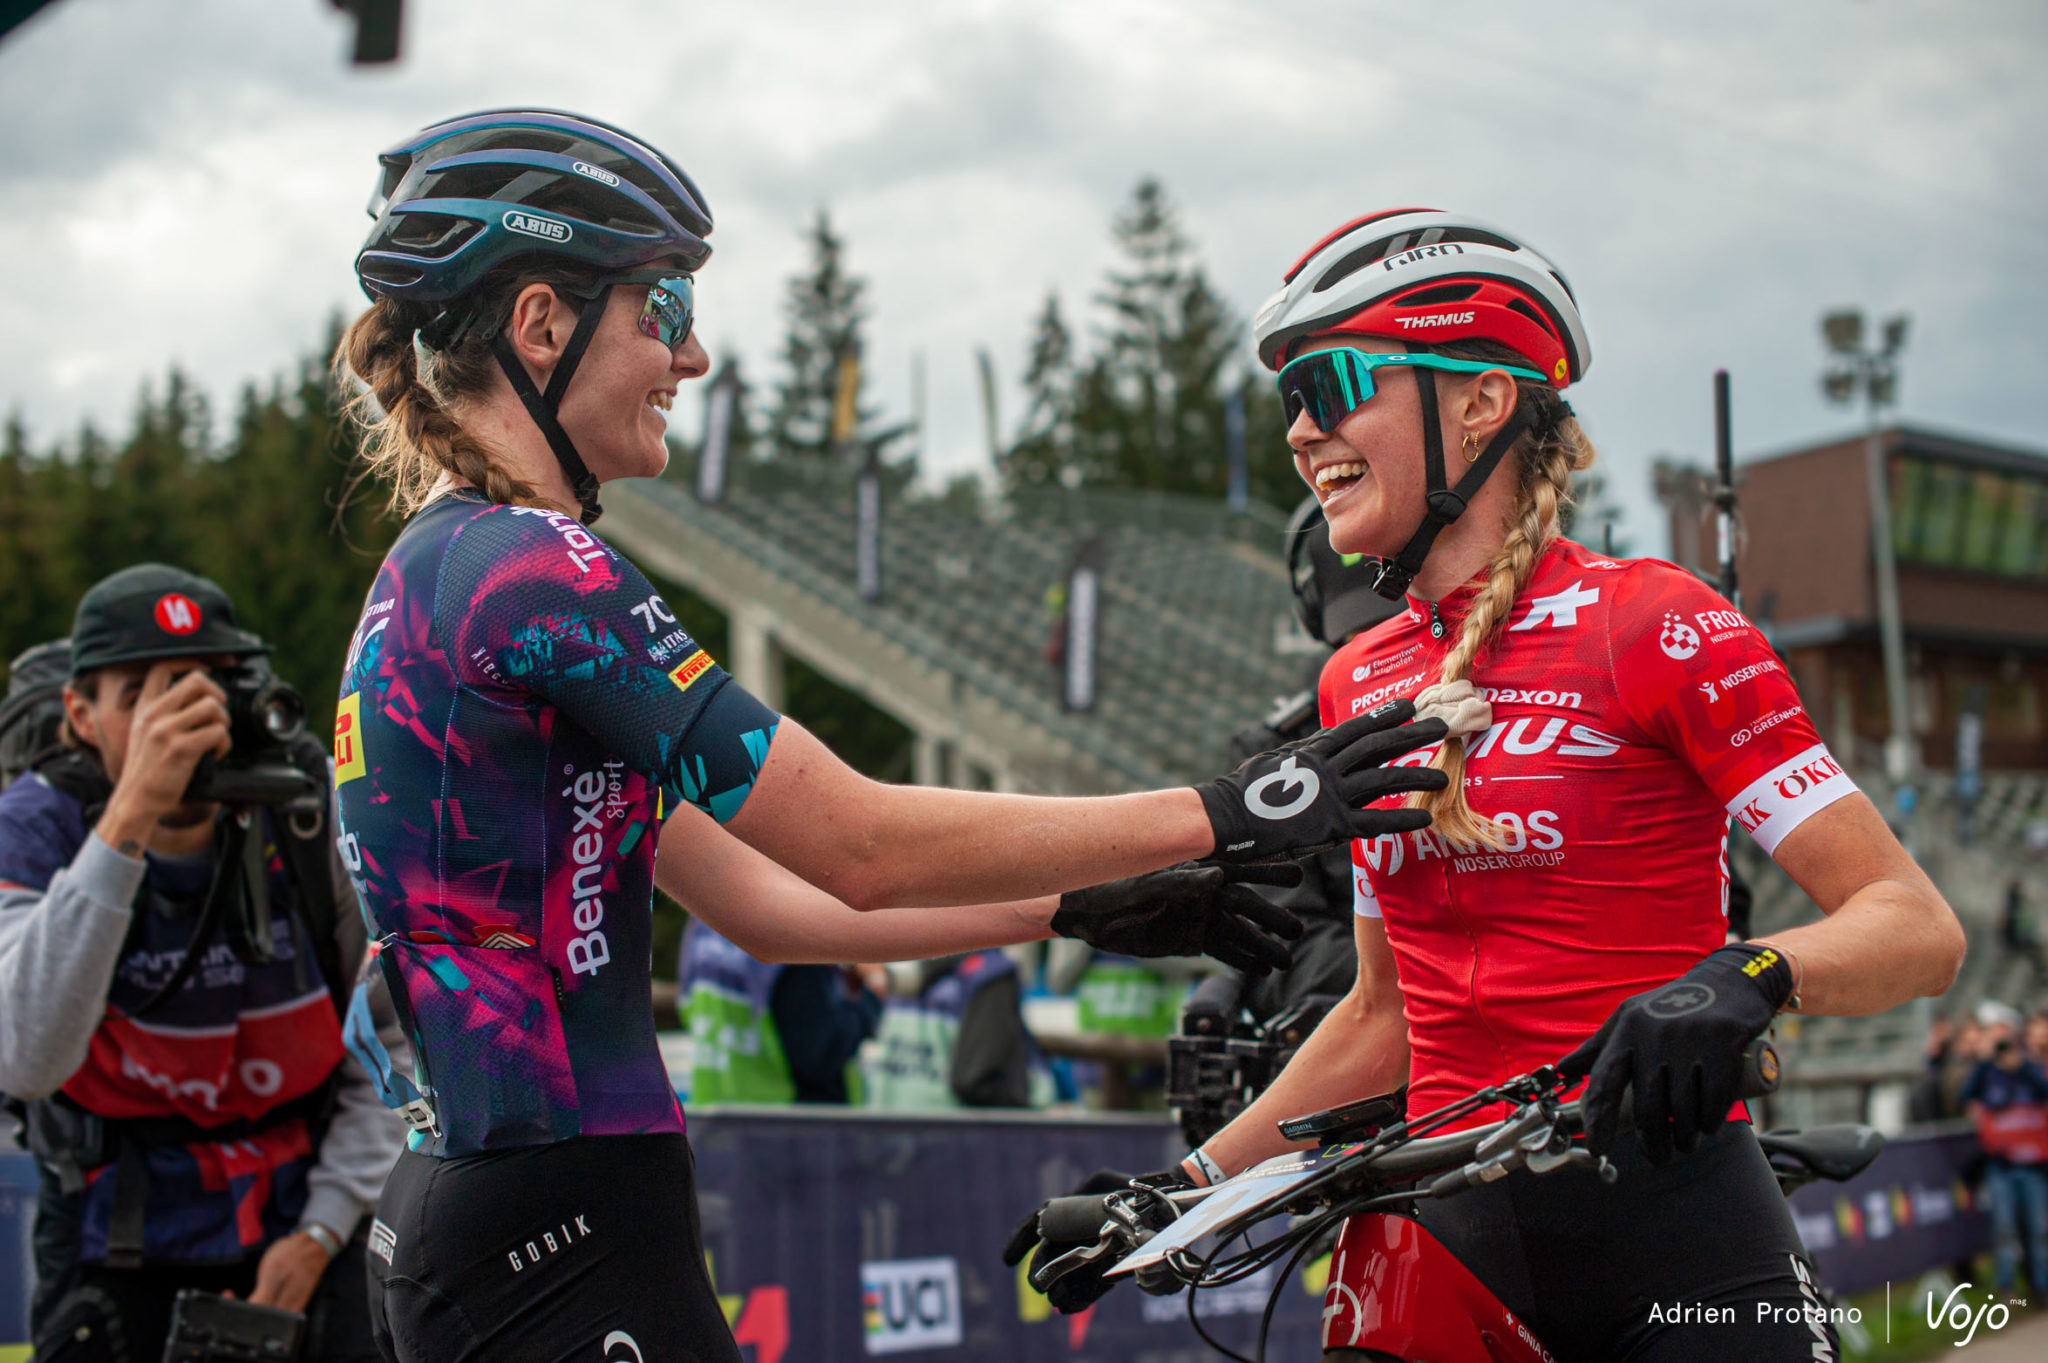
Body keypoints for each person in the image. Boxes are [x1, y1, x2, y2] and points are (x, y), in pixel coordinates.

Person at [329, 109, 1447, 1363]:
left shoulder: (441, 568)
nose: (691, 355)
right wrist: (1232, 810)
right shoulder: (533, 570)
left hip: (493, 1211)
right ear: (540, 324)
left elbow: (769, 905)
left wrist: (1074, 908)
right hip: (564, 1220)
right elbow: (858, 842)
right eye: (662, 309)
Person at [1007, 208, 1965, 1359]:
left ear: (1479, 401)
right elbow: (1382, 1016)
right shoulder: (1356, 679)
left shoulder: (1655, 624)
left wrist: (1747, 975)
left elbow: (1914, 927)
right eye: (1287, 402)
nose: (1300, 432)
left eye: (1329, 382)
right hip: (1436, 1225)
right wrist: (1181, 1190)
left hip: (1675, 1223)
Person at [0, 566, 406, 1363]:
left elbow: (394, 1043)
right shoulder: (34, 827)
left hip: (309, 1214)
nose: (181, 727)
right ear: (80, 714)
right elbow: (25, 1057)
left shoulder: (308, 808)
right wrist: (131, 814)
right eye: (142, 699)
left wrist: (324, 1228)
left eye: (203, 690)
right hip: (112, 1235)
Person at [678, 917, 883, 1104]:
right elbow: (821, 1053)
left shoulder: (705, 924)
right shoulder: (792, 929)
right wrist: (871, 993)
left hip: (714, 1110)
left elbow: (686, 1004)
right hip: (785, 1120)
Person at [861, 951, 1052, 1109]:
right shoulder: (990, 972)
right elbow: (977, 1080)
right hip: (955, 1133)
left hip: (885, 1128)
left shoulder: (896, 964)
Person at [1962, 1001, 2048, 1297]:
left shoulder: (2031, 1070)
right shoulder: (1988, 1074)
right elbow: (1965, 1095)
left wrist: (2020, 1066)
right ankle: (2007, 1292)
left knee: (2038, 1230)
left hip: (2034, 1166)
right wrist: (1986, 1060)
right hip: (2000, 1166)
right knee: (2004, 1229)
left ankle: (2041, 1288)